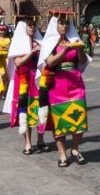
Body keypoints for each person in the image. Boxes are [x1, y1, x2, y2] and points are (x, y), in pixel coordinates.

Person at [39, 10, 91, 167]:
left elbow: (82, 61)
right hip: (57, 85)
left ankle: (75, 149)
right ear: (55, 25)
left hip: (75, 82)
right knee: (59, 121)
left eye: (67, 23)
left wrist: (80, 49)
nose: (64, 26)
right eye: (61, 23)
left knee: (80, 118)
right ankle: (62, 154)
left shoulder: (73, 40)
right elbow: (50, 62)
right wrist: (66, 51)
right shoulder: (50, 43)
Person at [3, 16, 47, 155]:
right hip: (24, 79)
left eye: (34, 25)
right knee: (25, 110)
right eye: (29, 25)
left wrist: (42, 50)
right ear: (24, 27)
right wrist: (32, 52)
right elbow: (18, 62)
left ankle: (41, 140)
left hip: (37, 78)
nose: (32, 28)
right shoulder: (19, 42)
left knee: (40, 109)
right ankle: (28, 143)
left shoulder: (39, 41)